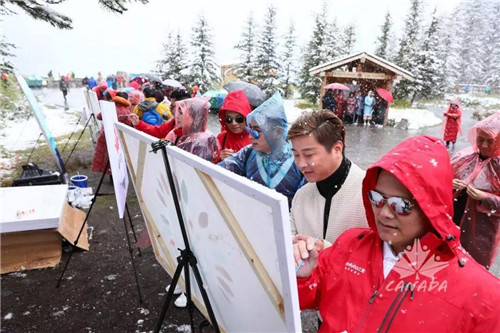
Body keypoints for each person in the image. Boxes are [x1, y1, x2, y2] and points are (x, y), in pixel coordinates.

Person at [293, 135, 500, 332]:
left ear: (431, 208)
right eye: (377, 198)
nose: (384, 213)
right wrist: (303, 275)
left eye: (401, 205)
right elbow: (303, 297)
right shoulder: (350, 245)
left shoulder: (482, 297)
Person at [287, 110, 367, 249]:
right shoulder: (301, 196)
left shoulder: (369, 193)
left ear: (337, 149)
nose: (301, 164)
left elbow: (381, 258)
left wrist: (325, 250)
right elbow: (287, 245)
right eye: (296, 155)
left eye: (309, 155)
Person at [219, 92, 305, 207]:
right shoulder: (247, 154)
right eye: (250, 130)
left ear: (278, 132)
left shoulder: (299, 160)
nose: (250, 136)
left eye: (256, 131)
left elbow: (305, 206)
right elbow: (217, 172)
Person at [451, 112, 500, 269]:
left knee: (473, 269)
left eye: (490, 141)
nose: (484, 145)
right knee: (447, 264)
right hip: (452, 222)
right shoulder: (463, 157)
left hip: (482, 231)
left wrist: (485, 197)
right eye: (480, 139)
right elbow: (437, 184)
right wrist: (449, 184)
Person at [164, 98, 219, 163]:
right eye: (178, 112)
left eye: (182, 113)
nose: (177, 116)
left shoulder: (203, 142)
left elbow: (199, 170)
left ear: (194, 117)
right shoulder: (176, 133)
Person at [91, 93, 132, 174]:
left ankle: (109, 174)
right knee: (117, 157)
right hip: (119, 138)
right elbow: (129, 125)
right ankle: (117, 175)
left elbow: (99, 117)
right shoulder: (127, 111)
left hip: (105, 135)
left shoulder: (109, 108)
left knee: (105, 156)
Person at [217, 90, 252, 162]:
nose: (233, 123)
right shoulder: (221, 138)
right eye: (229, 119)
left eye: (239, 119)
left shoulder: (256, 140)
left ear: (246, 118)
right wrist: (219, 157)